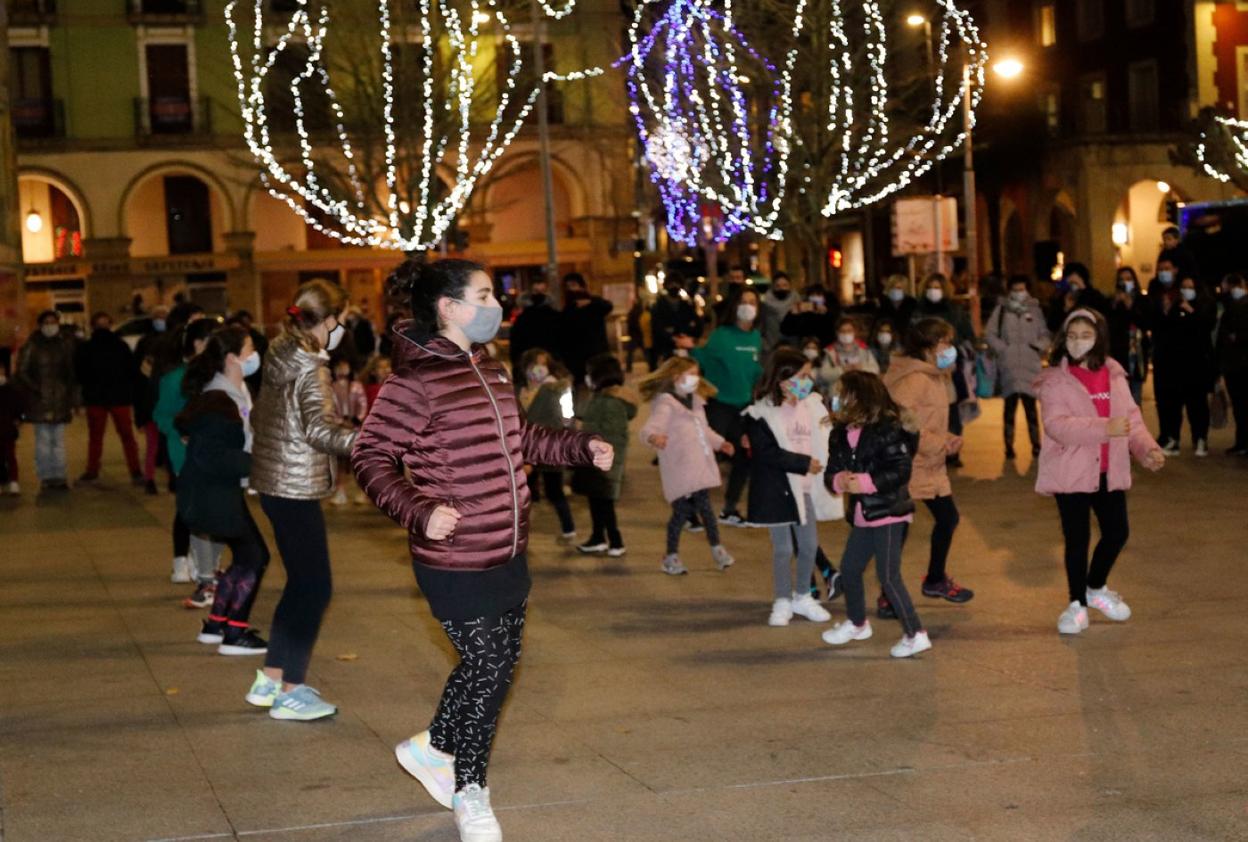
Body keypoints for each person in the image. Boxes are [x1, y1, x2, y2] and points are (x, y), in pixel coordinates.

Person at [352, 258, 610, 842]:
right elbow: (369, 457)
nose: (496, 305)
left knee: (490, 666)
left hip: (510, 546)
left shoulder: (489, 368)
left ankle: (432, 746)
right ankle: (471, 790)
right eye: (484, 294)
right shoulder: (413, 382)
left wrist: (579, 446)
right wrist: (420, 511)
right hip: (454, 557)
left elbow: (521, 439)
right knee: (490, 668)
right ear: (448, 307)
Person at [247, 279, 358, 721]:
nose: (343, 329)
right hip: (294, 484)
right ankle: (292, 690)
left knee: (300, 583)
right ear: (328, 321)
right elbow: (320, 430)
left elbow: (264, 414)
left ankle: (271, 677)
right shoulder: (311, 366)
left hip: (275, 482)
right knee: (315, 587)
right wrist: (372, 440)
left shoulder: (280, 352)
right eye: (343, 321)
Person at [1035, 309, 1164, 635]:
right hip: (1071, 471)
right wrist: (1106, 428)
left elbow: (1130, 419)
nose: (1078, 342)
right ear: (1064, 339)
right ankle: (1076, 604)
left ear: (1099, 339)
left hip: (1109, 468)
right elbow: (1057, 426)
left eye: (1086, 336)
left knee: (1117, 532)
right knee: (1077, 539)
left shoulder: (1114, 374)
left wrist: (1145, 448)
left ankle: (1095, 587)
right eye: (1072, 336)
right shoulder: (1055, 380)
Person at [822, 370, 932, 657]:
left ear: (859, 398)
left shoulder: (887, 429)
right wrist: (839, 481)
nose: (836, 400)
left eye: (841, 394)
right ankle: (857, 623)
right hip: (864, 513)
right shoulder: (841, 433)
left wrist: (867, 482)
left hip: (890, 511)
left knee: (888, 576)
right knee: (849, 569)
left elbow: (900, 470)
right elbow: (831, 470)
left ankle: (915, 633)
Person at [175, 325, 271, 655]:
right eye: (248, 350)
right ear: (232, 357)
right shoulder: (219, 399)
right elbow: (215, 455)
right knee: (256, 556)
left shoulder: (234, 390)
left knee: (247, 555)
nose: (253, 356)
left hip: (219, 493)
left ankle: (218, 624)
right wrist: (259, 463)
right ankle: (235, 632)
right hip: (212, 494)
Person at [742, 348, 840, 627]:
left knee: (808, 545)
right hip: (778, 489)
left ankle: (802, 596)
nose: (808, 380)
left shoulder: (812, 406)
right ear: (783, 379)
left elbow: (827, 436)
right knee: (783, 548)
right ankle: (782, 599)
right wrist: (802, 463)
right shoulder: (761, 412)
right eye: (802, 375)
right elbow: (766, 452)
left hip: (805, 488)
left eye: (809, 375)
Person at [883, 318, 975, 609]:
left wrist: (946, 438)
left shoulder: (935, 376)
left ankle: (935, 580)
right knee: (898, 530)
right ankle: (888, 595)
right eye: (943, 343)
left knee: (948, 519)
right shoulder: (913, 379)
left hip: (929, 464)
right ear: (926, 347)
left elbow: (927, 421)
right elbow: (902, 424)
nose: (949, 349)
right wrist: (938, 444)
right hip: (907, 465)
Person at [638, 356, 736, 575]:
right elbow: (650, 428)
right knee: (681, 513)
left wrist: (721, 443)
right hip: (681, 467)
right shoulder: (666, 403)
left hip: (699, 465)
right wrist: (654, 437)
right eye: (691, 373)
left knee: (707, 511)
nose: (696, 378)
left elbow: (705, 430)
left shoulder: (696, 401)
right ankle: (670, 556)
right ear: (676, 376)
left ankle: (717, 550)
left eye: (697, 373)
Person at [154, 318, 227, 603]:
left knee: (222, 511)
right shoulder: (175, 379)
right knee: (196, 510)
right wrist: (182, 432)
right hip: (186, 453)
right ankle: (201, 568)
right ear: (198, 344)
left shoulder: (220, 376)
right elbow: (161, 415)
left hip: (219, 453)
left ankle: (212, 565)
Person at [692, 286, 764, 525]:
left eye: (753, 302)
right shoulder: (722, 335)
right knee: (707, 453)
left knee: (744, 457)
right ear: (735, 306)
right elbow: (702, 357)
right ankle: (690, 508)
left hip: (743, 407)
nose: (748, 306)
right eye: (744, 301)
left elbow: (755, 372)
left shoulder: (756, 338)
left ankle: (730, 508)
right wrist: (689, 346)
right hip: (720, 405)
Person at [572, 353, 637, 557]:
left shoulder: (611, 401)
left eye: (590, 374)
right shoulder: (601, 397)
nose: (587, 377)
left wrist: (586, 433)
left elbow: (614, 433)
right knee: (597, 500)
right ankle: (598, 537)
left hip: (604, 460)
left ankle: (616, 541)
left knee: (604, 502)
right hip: (595, 458)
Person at [1150, 271, 1216, 456]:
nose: (1186, 291)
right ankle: (1174, 440)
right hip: (1176, 366)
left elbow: (1205, 328)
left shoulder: (1204, 306)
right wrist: (1166, 310)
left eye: (1190, 287)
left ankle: (1200, 439)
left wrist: (1191, 311)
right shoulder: (1175, 307)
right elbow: (1165, 331)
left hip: (1197, 366)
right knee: (1174, 405)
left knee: (1198, 406)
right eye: (1184, 287)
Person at [985, 276, 1049, 460]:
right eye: (1015, 289)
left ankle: (1036, 445)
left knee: (1031, 409)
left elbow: (1045, 333)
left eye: (1022, 289)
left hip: (1030, 366)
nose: (1019, 293)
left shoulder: (1035, 310)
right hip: (1009, 366)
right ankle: (1008, 447)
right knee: (1009, 409)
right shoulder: (1002, 310)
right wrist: (1003, 349)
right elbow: (990, 334)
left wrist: (1038, 346)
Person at [74, 312, 143, 485]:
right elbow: (132, 371)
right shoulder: (120, 346)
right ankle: (135, 471)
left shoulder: (87, 347)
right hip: (118, 397)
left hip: (98, 398)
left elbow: (80, 373)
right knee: (126, 437)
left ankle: (92, 471)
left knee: (97, 437)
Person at [518, 348, 577, 540]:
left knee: (554, 490)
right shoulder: (522, 389)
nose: (538, 369)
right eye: (535, 364)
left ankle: (568, 528)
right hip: (527, 447)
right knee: (525, 490)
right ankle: (520, 529)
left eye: (543, 364)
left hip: (549, 445)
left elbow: (568, 415)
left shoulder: (559, 387)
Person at [16, 310, 75, 492]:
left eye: (53, 321)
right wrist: (36, 388)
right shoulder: (31, 345)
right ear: (40, 324)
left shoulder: (64, 345)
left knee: (58, 441)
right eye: (47, 322)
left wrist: (69, 394)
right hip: (38, 401)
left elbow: (70, 372)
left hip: (60, 400)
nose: (51, 325)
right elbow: (22, 371)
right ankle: (46, 477)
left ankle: (60, 476)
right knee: (43, 440)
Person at [133, 305, 170, 495]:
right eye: (158, 316)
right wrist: (140, 414)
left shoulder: (173, 341)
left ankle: (173, 478)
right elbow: (139, 384)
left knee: (169, 445)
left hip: (168, 407)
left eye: (164, 316)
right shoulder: (145, 344)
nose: (161, 319)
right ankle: (150, 479)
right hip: (151, 408)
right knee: (153, 446)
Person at [559, 272, 614, 386]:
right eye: (568, 286)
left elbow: (607, 306)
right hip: (577, 362)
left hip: (597, 356)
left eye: (574, 285)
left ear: (581, 286)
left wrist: (591, 302)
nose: (572, 289)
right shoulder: (568, 309)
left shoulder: (594, 304)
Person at [1107, 267, 1151, 405]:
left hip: (1136, 355)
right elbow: (1111, 326)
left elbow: (1145, 323)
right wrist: (1116, 304)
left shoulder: (1142, 300)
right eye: (1121, 280)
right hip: (1118, 354)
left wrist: (1129, 304)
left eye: (1128, 279)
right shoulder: (1113, 302)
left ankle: (1136, 425)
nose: (1125, 283)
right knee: (1119, 399)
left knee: (1135, 398)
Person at [328, 358, 368, 506]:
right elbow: (329, 408)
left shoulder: (356, 386)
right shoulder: (330, 387)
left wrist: (357, 420)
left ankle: (361, 492)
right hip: (339, 430)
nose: (342, 370)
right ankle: (340, 491)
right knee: (340, 461)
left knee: (356, 462)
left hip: (355, 429)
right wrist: (340, 421)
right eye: (339, 367)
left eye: (345, 366)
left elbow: (363, 404)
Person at [1217, 273, 1248, 455]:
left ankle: (1243, 441)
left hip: (1242, 363)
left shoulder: (1241, 305)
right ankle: (1241, 441)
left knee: (1243, 404)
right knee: (1238, 405)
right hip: (1233, 364)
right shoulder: (1229, 306)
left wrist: (1236, 337)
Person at [508, 280, 564, 375]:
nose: (539, 294)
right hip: (528, 363)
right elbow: (516, 344)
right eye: (536, 291)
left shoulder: (555, 317)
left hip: (551, 362)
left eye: (542, 290)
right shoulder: (522, 318)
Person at [816, 316, 880, 396]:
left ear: (855, 332)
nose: (846, 334)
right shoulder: (831, 351)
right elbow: (823, 374)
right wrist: (842, 370)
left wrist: (861, 368)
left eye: (849, 330)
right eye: (842, 331)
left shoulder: (864, 349)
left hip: (861, 392)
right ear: (837, 333)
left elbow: (875, 369)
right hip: (838, 392)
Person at [649, 278, 702, 364]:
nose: (674, 286)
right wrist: (672, 338)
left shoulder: (687, 306)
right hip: (665, 350)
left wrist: (686, 337)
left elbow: (697, 325)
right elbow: (656, 328)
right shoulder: (658, 307)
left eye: (677, 284)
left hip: (686, 349)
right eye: (671, 284)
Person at [1048, 263, 1108, 332]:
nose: (1074, 287)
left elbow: (1102, 319)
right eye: (1070, 283)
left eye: (1075, 283)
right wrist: (1066, 309)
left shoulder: (1094, 296)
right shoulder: (1062, 297)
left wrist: (1083, 290)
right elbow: (1052, 325)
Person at [759, 272, 795, 351]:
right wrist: (766, 346)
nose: (781, 288)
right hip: (771, 350)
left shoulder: (797, 304)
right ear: (773, 287)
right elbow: (760, 329)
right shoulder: (765, 307)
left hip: (794, 350)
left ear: (790, 286)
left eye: (785, 285)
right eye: (778, 286)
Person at [0, 358, 21, 495]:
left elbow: (18, 407)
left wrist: (18, 419)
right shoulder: (11, 389)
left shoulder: (11, 390)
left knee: (10, 456)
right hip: (8, 428)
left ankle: (13, 481)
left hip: (7, 430)